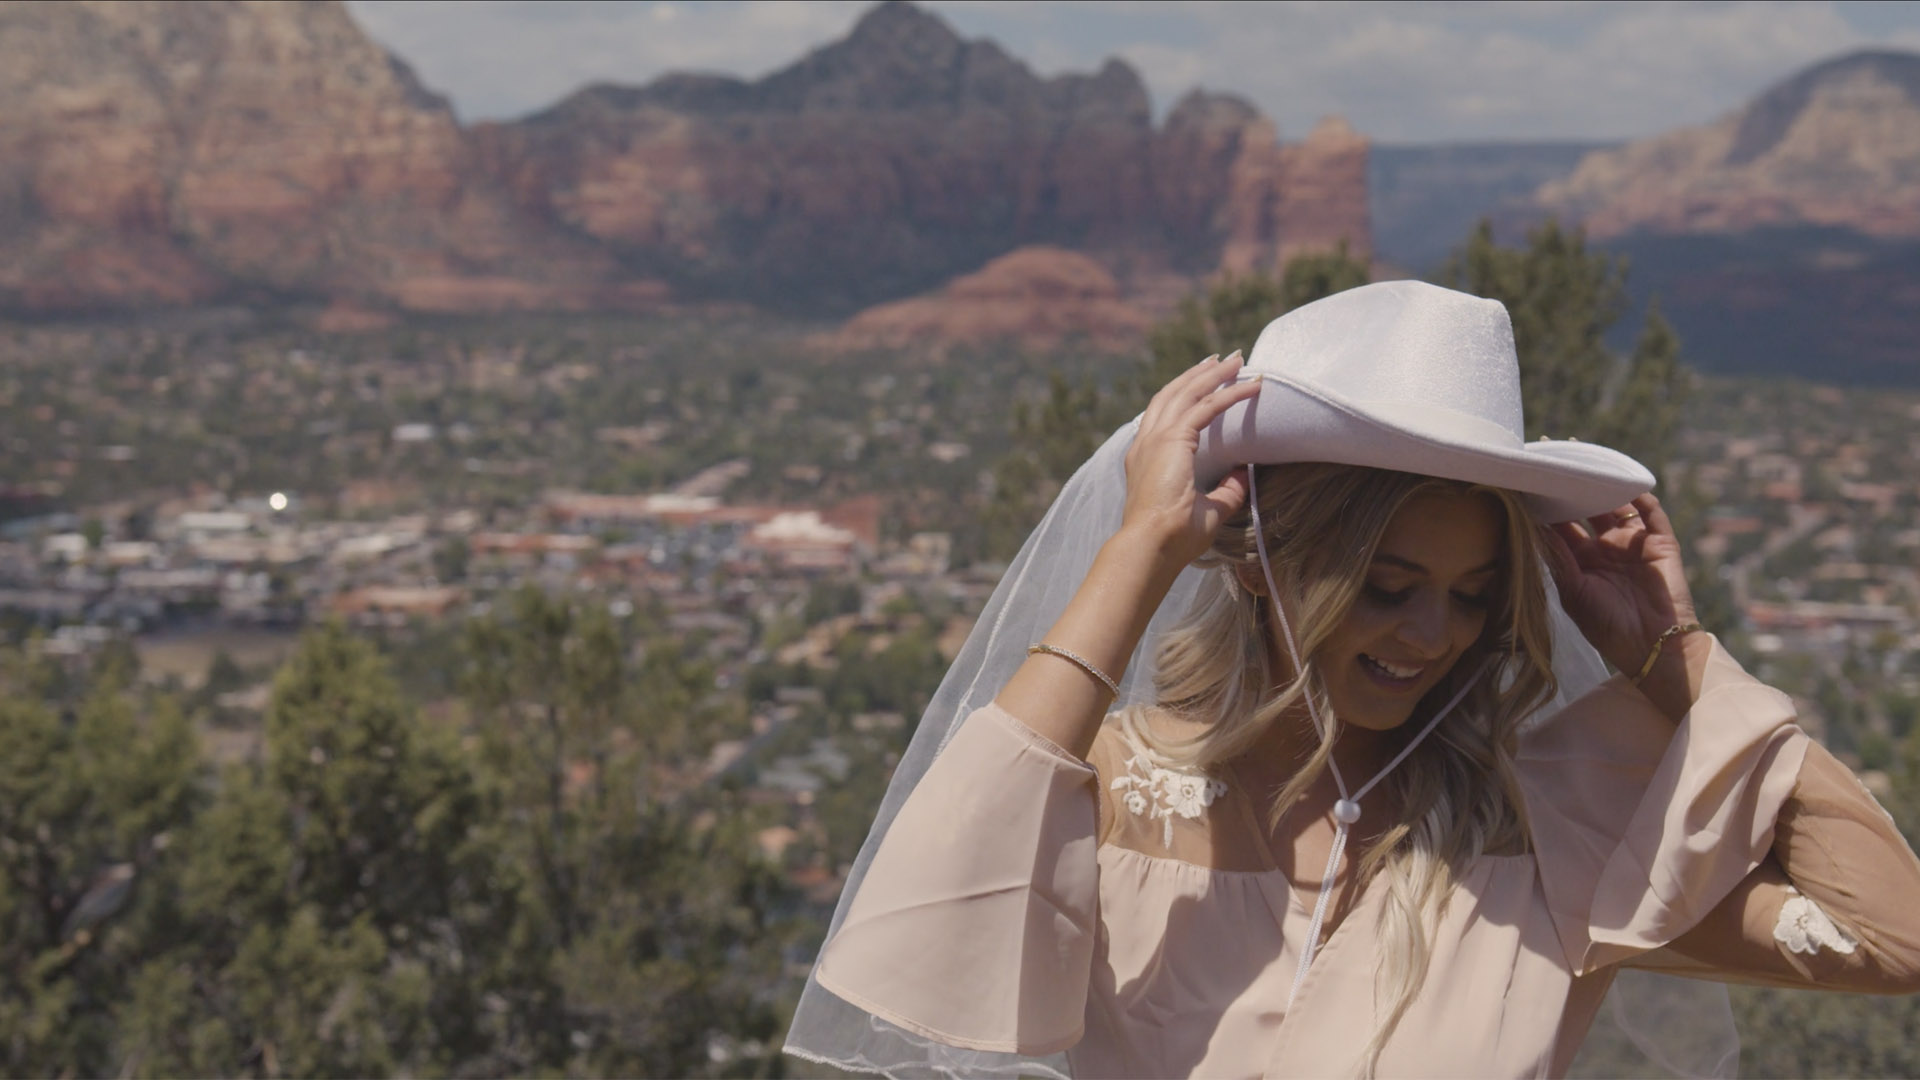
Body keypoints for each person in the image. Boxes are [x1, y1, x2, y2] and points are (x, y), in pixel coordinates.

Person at [783, 281, 1920, 1078]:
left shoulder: (1548, 831)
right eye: (1386, 585)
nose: (1433, 632)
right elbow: (915, 931)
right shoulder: (1113, 790)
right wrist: (1139, 550)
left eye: (1473, 593)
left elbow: (1892, 941)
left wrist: (1674, 655)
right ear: (1273, 565)